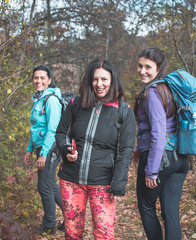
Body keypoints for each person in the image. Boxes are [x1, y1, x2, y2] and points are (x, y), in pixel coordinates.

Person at [55, 59, 136, 239]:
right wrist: (66, 149)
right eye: (95, 79)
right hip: (71, 180)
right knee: (72, 233)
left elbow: (126, 150)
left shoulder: (124, 111)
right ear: (89, 81)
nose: (99, 84)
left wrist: (118, 184)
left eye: (104, 79)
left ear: (112, 81)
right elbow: (61, 133)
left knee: (104, 234)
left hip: (103, 183)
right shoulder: (76, 104)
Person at [132, 47, 189, 240]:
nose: (142, 71)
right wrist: (138, 149)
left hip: (160, 159)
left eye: (148, 67)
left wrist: (151, 170)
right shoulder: (169, 89)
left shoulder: (152, 93)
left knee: (147, 206)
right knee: (171, 213)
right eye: (140, 66)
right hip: (179, 158)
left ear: (158, 68)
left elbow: (158, 132)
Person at [24, 65, 64, 235]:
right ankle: (71, 216)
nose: (38, 81)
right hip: (41, 146)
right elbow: (36, 127)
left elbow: (52, 130)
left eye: (42, 78)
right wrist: (29, 148)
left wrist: (43, 154)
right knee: (50, 184)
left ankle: (49, 225)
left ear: (49, 80)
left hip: (51, 147)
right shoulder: (38, 99)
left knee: (44, 186)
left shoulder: (51, 100)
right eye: (35, 77)